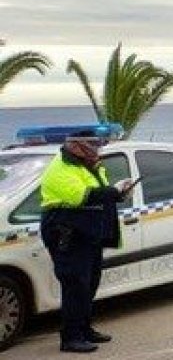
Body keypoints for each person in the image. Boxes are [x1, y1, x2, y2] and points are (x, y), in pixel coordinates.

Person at [39, 132, 134, 353]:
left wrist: (118, 193)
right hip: (68, 233)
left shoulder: (89, 166)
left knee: (89, 282)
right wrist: (112, 191)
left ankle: (84, 329)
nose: (97, 149)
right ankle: (71, 337)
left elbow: (98, 194)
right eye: (92, 144)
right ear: (77, 146)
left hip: (88, 235)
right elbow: (80, 196)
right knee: (75, 284)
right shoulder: (61, 167)